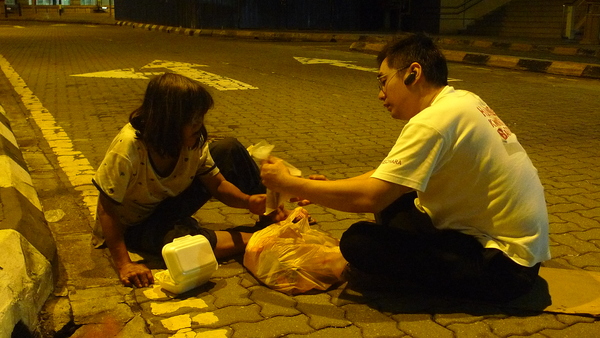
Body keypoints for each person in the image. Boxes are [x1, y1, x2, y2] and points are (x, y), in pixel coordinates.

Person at [260, 33, 550, 302]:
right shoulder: (461, 100)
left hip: (505, 269)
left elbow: (370, 196)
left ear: (413, 73)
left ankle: (413, 284)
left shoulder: (433, 122)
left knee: (358, 242)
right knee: (392, 205)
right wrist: (325, 187)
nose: (380, 94)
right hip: (517, 254)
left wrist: (290, 184)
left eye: (383, 81)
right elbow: (391, 178)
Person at [93, 73, 284, 288]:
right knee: (180, 245)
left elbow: (218, 184)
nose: (199, 126)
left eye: (200, 118)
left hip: (168, 202)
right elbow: (106, 209)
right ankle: (259, 238)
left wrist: (248, 201)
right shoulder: (128, 148)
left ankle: (272, 215)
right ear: (168, 122)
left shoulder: (193, 140)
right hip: (136, 225)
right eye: (193, 121)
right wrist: (124, 264)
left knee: (228, 149)